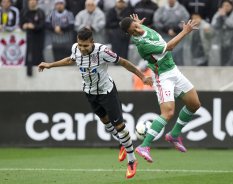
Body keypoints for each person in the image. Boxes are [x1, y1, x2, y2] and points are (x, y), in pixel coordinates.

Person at [38, 27, 153, 178]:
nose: (82, 48)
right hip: (90, 92)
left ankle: (132, 160)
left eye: (85, 45)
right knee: (106, 122)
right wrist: (50, 65)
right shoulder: (76, 49)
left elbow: (124, 62)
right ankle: (122, 143)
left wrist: (142, 76)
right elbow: (70, 59)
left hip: (107, 91)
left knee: (119, 126)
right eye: (80, 45)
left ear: (92, 42)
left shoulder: (103, 51)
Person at [120, 14, 201, 163]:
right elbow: (169, 47)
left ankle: (174, 135)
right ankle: (144, 145)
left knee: (194, 104)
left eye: (137, 25)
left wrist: (137, 23)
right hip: (163, 77)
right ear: (130, 33)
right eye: (134, 29)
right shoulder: (142, 44)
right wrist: (185, 31)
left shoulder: (140, 27)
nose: (138, 28)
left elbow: (137, 26)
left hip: (174, 70)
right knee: (168, 112)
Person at [20, 0, 45, 76]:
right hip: (27, 38)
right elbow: (21, 23)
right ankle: (28, 71)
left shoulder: (40, 12)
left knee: (38, 54)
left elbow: (42, 25)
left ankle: (40, 70)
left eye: (34, 1)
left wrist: (34, 26)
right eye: (31, 1)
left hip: (38, 37)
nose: (32, 2)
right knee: (27, 54)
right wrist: (23, 26)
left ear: (36, 2)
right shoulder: (24, 12)